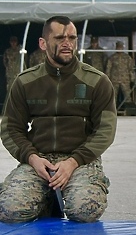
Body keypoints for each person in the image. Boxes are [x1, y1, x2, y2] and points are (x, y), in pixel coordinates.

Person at [0, 15, 116, 222]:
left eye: (72, 38)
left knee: (85, 211)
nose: (67, 43)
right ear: (43, 44)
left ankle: (62, 193)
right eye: (60, 38)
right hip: (39, 160)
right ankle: (46, 199)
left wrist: (74, 162)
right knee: (10, 211)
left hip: (79, 161)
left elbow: (105, 131)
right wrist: (32, 158)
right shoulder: (25, 82)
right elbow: (10, 129)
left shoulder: (97, 81)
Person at [105, 41, 135, 109]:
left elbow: (131, 68)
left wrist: (132, 78)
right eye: (118, 47)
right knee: (113, 96)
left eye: (121, 47)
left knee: (127, 95)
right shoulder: (112, 57)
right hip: (114, 79)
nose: (119, 48)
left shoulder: (127, 57)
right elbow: (108, 68)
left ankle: (129, 110)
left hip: (125, 79)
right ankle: (112, 110)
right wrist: (107, 79)